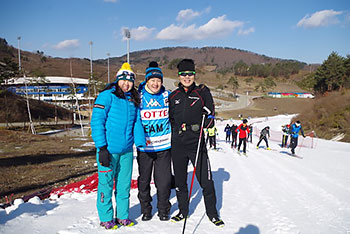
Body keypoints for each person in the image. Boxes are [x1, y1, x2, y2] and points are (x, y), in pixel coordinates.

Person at [169, 59, 224, 227]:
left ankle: (212, 213)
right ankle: (183, 211)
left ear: (194, 75)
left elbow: (211, 116)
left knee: (206, 181)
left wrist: (206, 123)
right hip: (178, 144)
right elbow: (170, 119)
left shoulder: (203, 92)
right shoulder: (173, 96)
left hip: (196, 143)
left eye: (190, 74)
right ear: (179, 76)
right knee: (180, 181)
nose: (187, 77)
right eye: (184, 74)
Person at [90, 63, 146, 229]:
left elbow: (136, 122)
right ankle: (106, 217)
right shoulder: (107, 96)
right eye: (124, 80)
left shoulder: (132, 99)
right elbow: (97, 122)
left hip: (127, 151)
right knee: (106, 185)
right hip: (108, 151)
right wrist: (102, 148)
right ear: (118, 80)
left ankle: (122, 216)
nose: (126, 84)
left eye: (130, 81)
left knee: (124, 186)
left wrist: (140, 142)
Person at [136, 61, 172, 221]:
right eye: (153, 80)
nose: (156, 83)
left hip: (164, 146)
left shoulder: (167, 96)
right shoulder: (139, 97)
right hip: (145, 148)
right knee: (144, 182)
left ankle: (164, 209)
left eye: (158, 80)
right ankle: (146, 209)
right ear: (147, 80)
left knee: (163, 182)